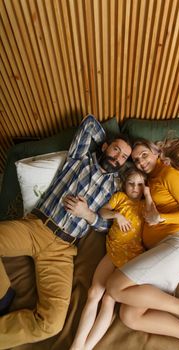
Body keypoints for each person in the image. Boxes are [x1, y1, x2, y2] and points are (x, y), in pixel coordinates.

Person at [0, 114, 132, 349]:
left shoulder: (115, 188)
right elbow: (89, 122)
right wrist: (106, 143)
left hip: (62, 251)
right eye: (115, 150)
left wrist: (88, 214)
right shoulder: (79, 159)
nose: (118, 158)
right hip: (37, 227)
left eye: (124, 157)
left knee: (52, 323)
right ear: (105, 147)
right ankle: (2, 296)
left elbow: (107, 226)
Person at [104, 139, 179, 350]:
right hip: (163, 254)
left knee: (113, 287)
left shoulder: (169, 174)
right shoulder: (147, 183)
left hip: (176, 244)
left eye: (144, 155)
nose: (140, 162)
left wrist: (161, 219)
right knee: (129, 316)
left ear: (156, 152)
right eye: (136, 159)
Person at [70, 167, 155, 350]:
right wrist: (116, 214)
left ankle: (87, 347)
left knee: (109, 298)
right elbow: (102, 212)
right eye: (131, 184)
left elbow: (153, 217)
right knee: (94, 293)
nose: (135, 188)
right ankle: (77, 345)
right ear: (124, 185)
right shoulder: (120, 198)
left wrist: (147, 194)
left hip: (133, 259)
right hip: (114, 251)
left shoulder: (145, 206)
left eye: (140, 185)